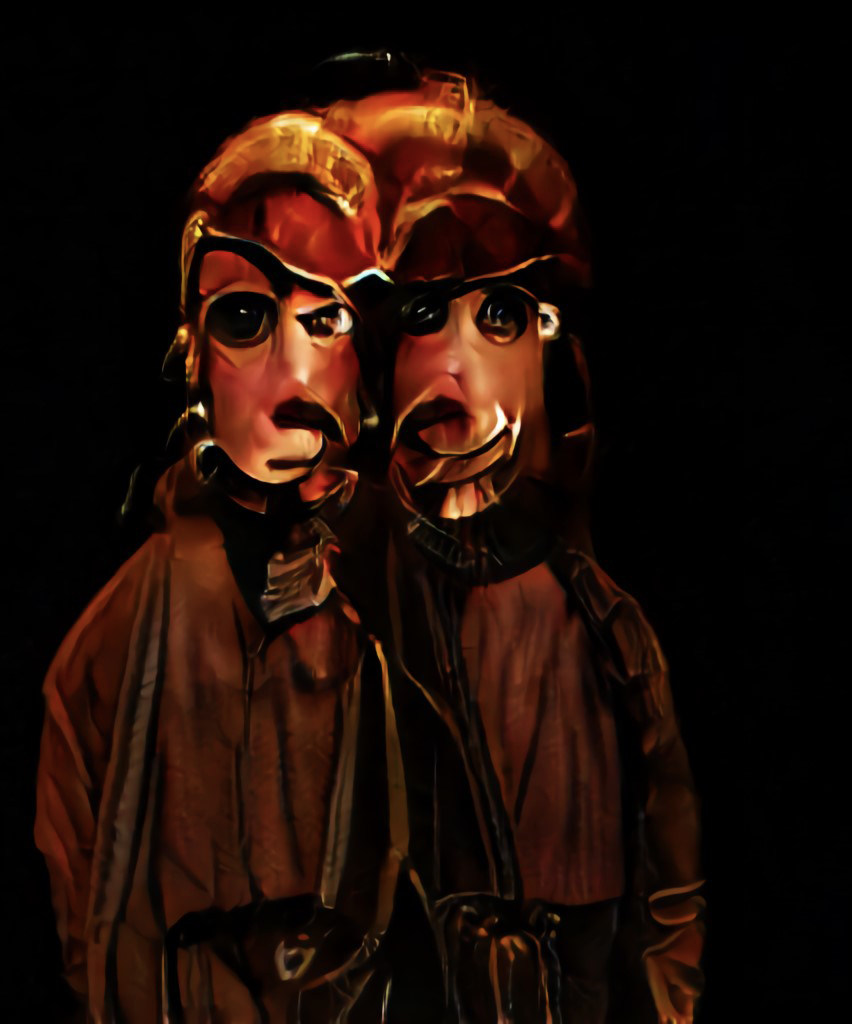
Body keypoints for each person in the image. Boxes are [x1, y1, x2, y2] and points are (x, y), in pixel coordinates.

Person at [320, 68, 705, 1024]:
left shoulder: (601, 620)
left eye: (498, 317)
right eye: (423, 317)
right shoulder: (353, 583)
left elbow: (670, 881)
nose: (455, 371)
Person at [34, 111, 410, 1023]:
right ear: (194, 354)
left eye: (325, 320)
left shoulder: (394, 591)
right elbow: (79, 867)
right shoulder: (130, 622)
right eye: (245, 318)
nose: (292, 372)